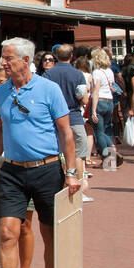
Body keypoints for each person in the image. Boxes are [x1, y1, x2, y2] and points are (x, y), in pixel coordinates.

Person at [0, 38, 83, 268]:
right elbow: (0, 130)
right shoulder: (1, 92)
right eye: (3, 58)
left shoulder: (49, 89)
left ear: (26, 61)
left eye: (9, 58)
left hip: (47, 169)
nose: (4, 63)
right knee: (7, 232)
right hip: (12, 171)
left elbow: (66, 133)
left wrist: (72, 173)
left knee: (50, 235)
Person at [41, 45, 91, 200]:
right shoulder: (77, 74)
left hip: (54, 119)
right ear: (72, 56)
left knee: (58, 154)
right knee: (79, 154)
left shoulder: (48, 75)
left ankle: (61, 188)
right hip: (74, 116)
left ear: (56, 56)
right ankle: (79, 190)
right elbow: (82, 96)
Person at [89, 48, 117, 167]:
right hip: (109, 101)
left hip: (100, 101)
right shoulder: (109, 71)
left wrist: (93, 110)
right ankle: (112, 154)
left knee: (99, 132)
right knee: (106, 129)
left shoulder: (96, 72)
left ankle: (107, 159)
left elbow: (96, 91)